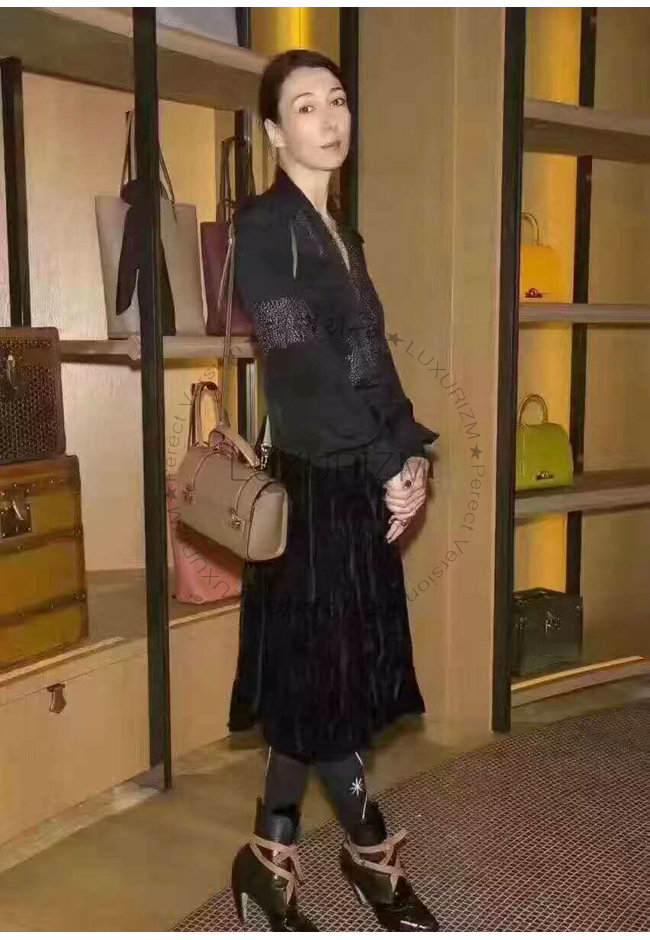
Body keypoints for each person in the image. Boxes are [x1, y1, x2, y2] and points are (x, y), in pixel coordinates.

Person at [228, 48, 440, 932]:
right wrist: (383, 462)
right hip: (315, 491)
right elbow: (306, 369)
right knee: (325, 687)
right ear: (274, 132)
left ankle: (267, 856)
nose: (329, 118)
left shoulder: (342, 235)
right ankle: (370, 854)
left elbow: (371, 361)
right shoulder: (264, 224)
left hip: (357, 485)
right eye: (306, 106)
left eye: (338, 100)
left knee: (319, 689)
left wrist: (411, 457)